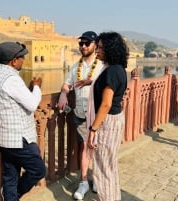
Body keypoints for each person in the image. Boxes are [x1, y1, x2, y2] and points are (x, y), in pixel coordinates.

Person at [0, 41, 46, 201]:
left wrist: (28, 91)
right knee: (38, 170)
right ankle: (10, 195)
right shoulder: (11, 78)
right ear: (14, 61)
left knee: (11, 175)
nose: (23, 61)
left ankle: (10, 196)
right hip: (18, 138)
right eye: (22, 58)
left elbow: (12, 99)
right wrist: (36, 87)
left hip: (3, 137)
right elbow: (33, 104)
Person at [57, 31, 104, 200]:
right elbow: (66, 84)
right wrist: (63, 93)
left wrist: (90, 81)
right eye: (81, 43)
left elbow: (108, 84)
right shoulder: (75, 67)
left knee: (98, 147)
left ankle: (98, 178)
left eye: (87, 43)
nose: (83, 46)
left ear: (95, 45)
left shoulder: (102, 65)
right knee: (84, 146)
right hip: (79, 113)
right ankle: (83, 181)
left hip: (97, 114)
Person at [87, 32, 129, 201]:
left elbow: (106, 103)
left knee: (102, 168)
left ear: (111, 49)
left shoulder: (112, 71)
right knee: (109, 166)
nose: (97, 51)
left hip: (107, 121)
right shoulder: (118, 69)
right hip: (115, 119)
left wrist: (93, 128)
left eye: (101, 48)